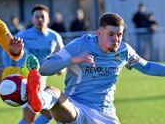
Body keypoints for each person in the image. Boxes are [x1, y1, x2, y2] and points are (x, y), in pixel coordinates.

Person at [25, 13, 165, 123]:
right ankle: (38, 100)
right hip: (76, 106)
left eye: (119, 35)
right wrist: (73, 60)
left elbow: (146, 67)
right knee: (53, 92)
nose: (116, 39)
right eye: (111, 34)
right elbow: (44, 69)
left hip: (105, 113)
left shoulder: (124, 51)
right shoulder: (81, 44)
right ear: (99, 33)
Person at [3, 5, 64, 124]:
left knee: (50, 113)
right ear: (32, 20)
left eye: (42, 17)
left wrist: (61, 68)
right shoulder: (23, 35)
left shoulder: (55, 37)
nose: (39, 19)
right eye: (36, 17)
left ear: (48, 19)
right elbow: (6, 51)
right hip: (26, 81)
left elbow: (62, 55)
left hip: (42, 80)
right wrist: (8, 70)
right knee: (30, 117)